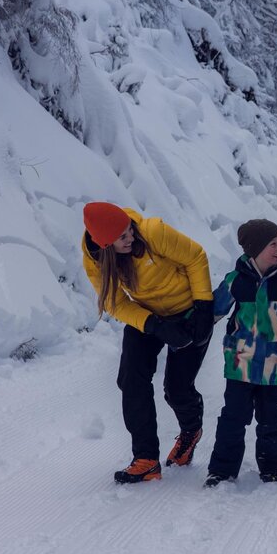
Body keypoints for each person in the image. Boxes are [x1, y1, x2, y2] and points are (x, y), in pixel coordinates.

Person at [81, 202, 215, 484]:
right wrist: (153, 325)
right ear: (105, 246)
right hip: (148, 315)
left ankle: (191, 430)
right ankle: (146, 459)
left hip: (189, 311)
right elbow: (115, 302)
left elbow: (195, 257)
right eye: (122, 239)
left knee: (177, 389)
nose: (131, 238)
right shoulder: (95, 260)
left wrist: (203, 307)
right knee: (131, 379)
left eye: (129, 231)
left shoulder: (151, 232)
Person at [204, 219, 277, 487]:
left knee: (271, 417)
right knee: (233, 417)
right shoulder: (236, 281)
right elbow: (212, 311)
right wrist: (186, 331)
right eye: (273, 244)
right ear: (254, 249)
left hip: (275, 364)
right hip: (240, 362)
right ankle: (221, 470)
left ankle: (272, 468)